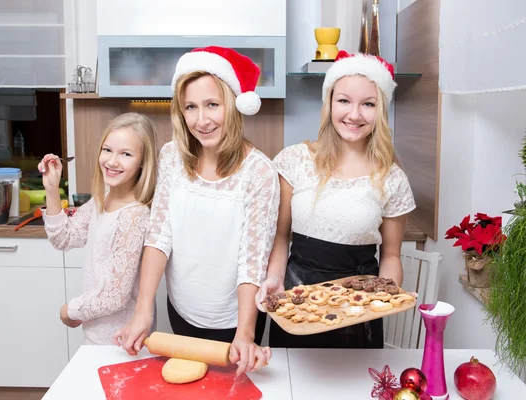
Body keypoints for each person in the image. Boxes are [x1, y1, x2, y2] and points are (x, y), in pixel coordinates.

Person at [114, 46, 279, 375]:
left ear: (232, 105)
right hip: (182, 310)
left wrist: (245, 334)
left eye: (212, 105)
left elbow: (252, 262)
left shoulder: (259, 173)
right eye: (191, 107)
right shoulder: (171, 157)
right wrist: (144, 308)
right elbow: (160, 235)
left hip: (235, 321)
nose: (201, 120)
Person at [255, 50, 416, 349]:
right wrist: (275, 279)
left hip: (359, 308)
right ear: (328, 103)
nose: (354, 115)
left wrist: (385, 296)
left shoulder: (392, 178)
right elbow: (279, 236)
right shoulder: (295, 160)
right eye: (344, 100)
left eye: (368, 104)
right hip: (296, 302)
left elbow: (391, 256)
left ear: (380, 111)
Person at [39, 112, 159, 345]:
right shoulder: (101, 200)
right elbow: (64, 238)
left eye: (126, 154)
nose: (112, 161)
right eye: (107, 150)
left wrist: (69, 310)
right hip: (96, 333)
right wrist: (52, 189)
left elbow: (115, 298)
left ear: (144, 161)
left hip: (121, 339)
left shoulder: (134, 215)